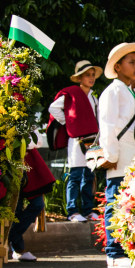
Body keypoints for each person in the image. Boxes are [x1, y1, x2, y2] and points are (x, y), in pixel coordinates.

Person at [99, 42, 135, 268]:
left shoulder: (132, 93)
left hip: (134, 158)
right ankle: (113, 253)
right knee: (114, 204)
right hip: (119, 156)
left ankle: (125, 249)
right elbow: (107, 124)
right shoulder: (113, 90)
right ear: (117, 66)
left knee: (128, 205)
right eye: (131, 62)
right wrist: (110, 154)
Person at [47, 61, 102, 222]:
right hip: (76, 140)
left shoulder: (94, 98)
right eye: (87, 75)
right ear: (79, 78)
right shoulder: (70, 94)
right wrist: (68, 122)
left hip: (92, 141)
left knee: (89, 176)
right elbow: (53, 109)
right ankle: (72, 211)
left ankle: (87, 210)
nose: (91, 78)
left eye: (93, 75)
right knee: (75, 175)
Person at [9, 130, 55, 261]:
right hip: (11, 162)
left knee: (37, 204)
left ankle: (10, 236)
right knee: (15, 209)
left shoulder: (27, 116)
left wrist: (22, 142)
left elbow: (37, 141)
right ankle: (18, 249)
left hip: (29, 163)